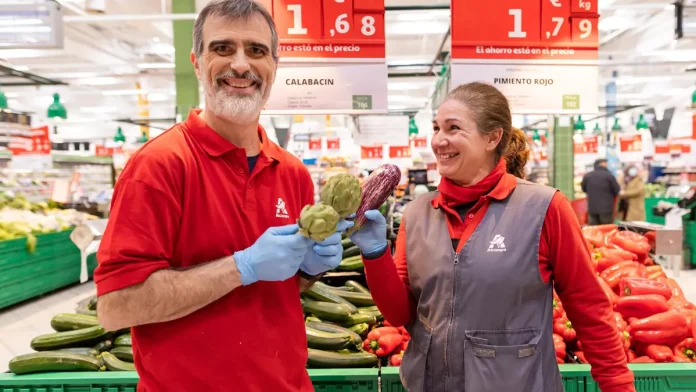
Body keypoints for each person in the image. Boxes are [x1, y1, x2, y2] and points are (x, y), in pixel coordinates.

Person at [93, 1, 349, 391]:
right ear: (197, 63)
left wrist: (309, 270)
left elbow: (280, 292)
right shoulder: (159, 166)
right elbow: (115, 307)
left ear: (274, 67)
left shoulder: (293, 172)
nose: (242, 65)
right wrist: (241, 266)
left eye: (257, 50)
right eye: (223, 48)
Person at [349, 82, 635, 392]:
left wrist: (617, 385)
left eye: (453, 128)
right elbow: (400, 314)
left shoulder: (544, 208)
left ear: (492, 137)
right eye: (436, 128)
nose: (439, 141)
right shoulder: (418, 213)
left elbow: (589, 308)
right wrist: (376, 255)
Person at [582, 158, 621, 225]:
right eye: (606, 163)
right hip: (606, 208)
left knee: (594, 230)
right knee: (606, 230)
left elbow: (584, 189)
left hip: (592, 208)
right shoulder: (609, 175)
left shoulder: (588, 176)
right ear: (602, 164)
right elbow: (616, 190)